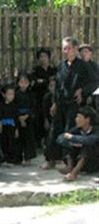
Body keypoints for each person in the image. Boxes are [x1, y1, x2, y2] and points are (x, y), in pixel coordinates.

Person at [42, 37, 90, 169]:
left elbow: (94, 82)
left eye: (68, 48)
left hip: (74, 103)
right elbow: (58, 86)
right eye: (64, 48)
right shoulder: (61, 65)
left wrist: (82, 90)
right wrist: (54, 102)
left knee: (69, 129)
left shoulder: (83, 66)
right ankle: (51, 158)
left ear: (75, 49)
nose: (66, 51)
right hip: (61, 102)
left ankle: (67, 160)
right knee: (54, 129)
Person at [56, 106, 98, 181]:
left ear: (87, 119)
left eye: (79, 117)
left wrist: (73, 138)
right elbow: (60, 138)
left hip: (94, 162)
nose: (76, 119)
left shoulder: (96, 130)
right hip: (79, 160)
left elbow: (91, 140)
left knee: (88, 145)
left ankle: (74, 173)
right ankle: (70, 167)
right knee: (69, 143)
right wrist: (72, 143)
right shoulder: (77, 129)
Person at [31, 48, 56, 145]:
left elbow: (55, 81)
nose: (43, 59)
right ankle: (40, 140)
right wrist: (46, 81)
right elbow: (34, 83)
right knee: (40, 118)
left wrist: (43, 81)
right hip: (39, 98)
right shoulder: (36, 71)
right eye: (41, 56)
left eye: (45, 56)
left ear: (49, 58)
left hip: (52, 98)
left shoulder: (53, 70)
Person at [15, 73, 37, 166]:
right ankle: (18, 158)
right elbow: (13, 106)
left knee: (28, 138)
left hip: (28, 118)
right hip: (18, 117)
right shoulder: (16, 94)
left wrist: (26, 116)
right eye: (21, 82)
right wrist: (20, 117)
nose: (23, 84)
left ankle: (28, 158)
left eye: (26, 82)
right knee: (18, 138)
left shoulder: (31, 94)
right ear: (18, 83)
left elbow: (34, 107)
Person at [0, 84, 19, 165]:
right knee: (4, 143)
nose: (11, 96)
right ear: (4, 95)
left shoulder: (14, 105)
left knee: (11, 143)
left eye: (13, 94)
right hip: (4, 126)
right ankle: (4, 159)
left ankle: (11, 159)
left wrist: (16, 128)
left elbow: (16, 117)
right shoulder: (0, 105)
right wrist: (0, 124)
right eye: (9, 94)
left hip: (12, 126)